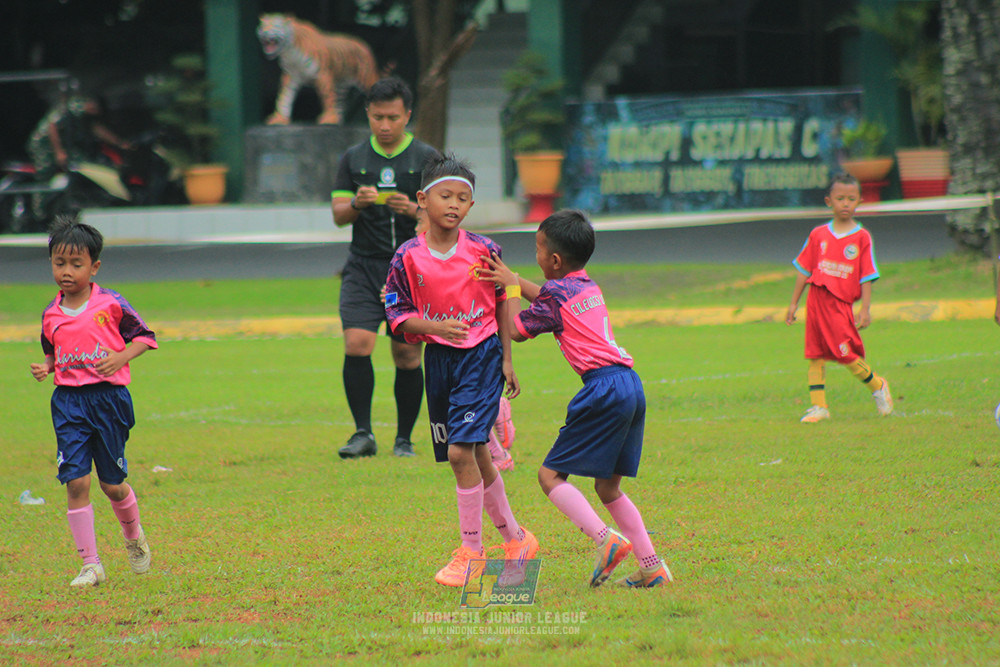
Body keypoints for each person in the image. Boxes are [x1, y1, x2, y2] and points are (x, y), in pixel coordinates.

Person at [480, 209, 672, 588]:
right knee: (607, 487)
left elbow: (517, 329)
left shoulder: (555, 294)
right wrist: (515, 277)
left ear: (553, 260)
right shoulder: (587, 285)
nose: (535, 256)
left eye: (537, 249)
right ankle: (652, 566)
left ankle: (607, 541)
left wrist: (510, 289)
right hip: (631, 385)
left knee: (549, 476)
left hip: (602, 388)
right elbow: (551, 298)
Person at [384, 153, 538, 587]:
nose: (454, 204)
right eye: (445, 195)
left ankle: (471, 553)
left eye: (464, 198)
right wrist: (434, 327)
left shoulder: (484, 250)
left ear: (471, 206)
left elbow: (504, 298)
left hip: (481, 354)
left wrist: (507, 358)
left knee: (458, 454)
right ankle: (517, 540)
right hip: (440, 360)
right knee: (478, 455)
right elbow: (396, 315)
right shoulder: (407, 258)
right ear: (422, 200)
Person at [29, 215, 156, 588]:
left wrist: (121, 357)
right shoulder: (51, 314)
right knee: (76, 482)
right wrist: (47, 366)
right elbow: (56, 349)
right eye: (59, 263)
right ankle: (91, 565)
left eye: (76, 264)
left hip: (109, 401)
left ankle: (133, 538)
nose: (66, 272)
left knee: (111, 484)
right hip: (68, 403)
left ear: (94, 266)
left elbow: (145, 337)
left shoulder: (111, 304)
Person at [330, 76, 439, 459]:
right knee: (357, 344)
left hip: (411, 270)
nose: (386, 125)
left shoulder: (427, 158)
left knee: (407, 356)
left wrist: (414, 209)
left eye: (393, 117)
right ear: (368, 115)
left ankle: (404, 440)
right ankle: (363, 434)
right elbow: (339, 216)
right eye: (378, 117)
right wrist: (358, 204)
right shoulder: (353, 158)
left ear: (407, 115)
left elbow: (445, 216)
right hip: (363, 266)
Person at [785, 172, 893, 423]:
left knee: (845, 355)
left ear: (859, 202)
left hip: (840, 305)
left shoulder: (861, 237)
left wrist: (865, 309)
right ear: (828, 201)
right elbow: (804, 271)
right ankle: (819, 407)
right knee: (814, 354)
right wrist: (793, 304)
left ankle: (878, 386)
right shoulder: (818, 235)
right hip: (816, 301)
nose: (845, 203)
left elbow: (867, 275)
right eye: (840, 198)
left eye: (851, 199)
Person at [27, 94, 130, 181]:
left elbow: (98, 129)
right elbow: (52, 126)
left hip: (68, 145)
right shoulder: (71, 107)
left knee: (85, 164)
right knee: (46, 173)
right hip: (45, 144)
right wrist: (59, 151)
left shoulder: (87, 116)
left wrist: (119, 142)